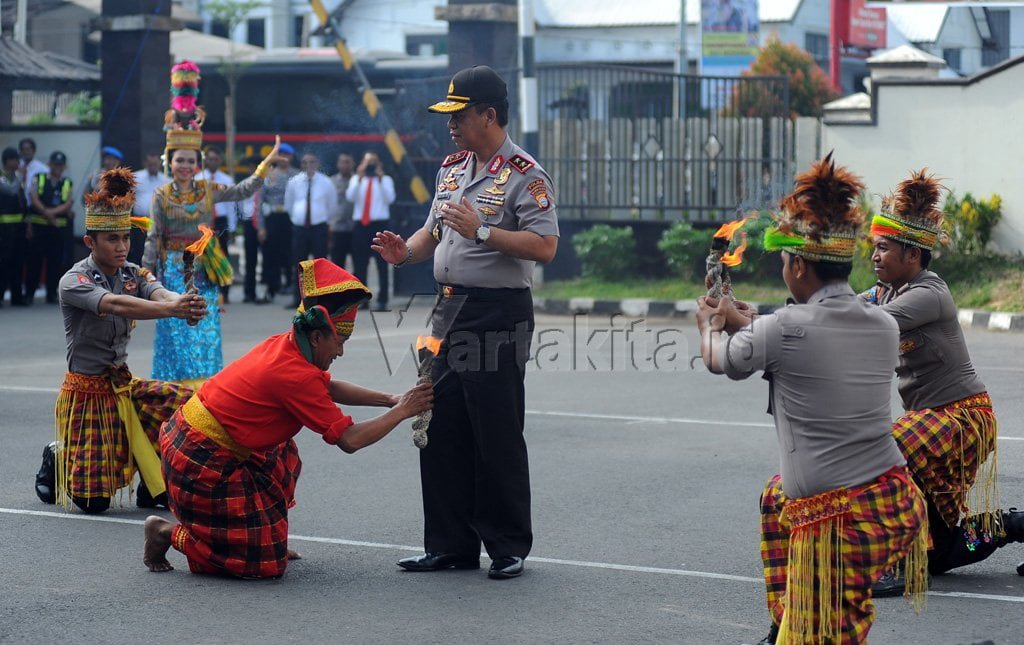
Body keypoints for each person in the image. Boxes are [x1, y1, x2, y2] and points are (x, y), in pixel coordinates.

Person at [698, 155, 929, 645]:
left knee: (829, 636)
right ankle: (785, 622)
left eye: (784, 261)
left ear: (798, 264)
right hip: (891, 500)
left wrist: (709, 326)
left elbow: (723, 360)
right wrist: (749, 323)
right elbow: (811, 338)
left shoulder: (783, 328)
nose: (784, 269)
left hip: (844, 515)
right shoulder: (881, 322)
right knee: (775, 498)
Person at [372, 65, 559, 580]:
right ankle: (450, 544)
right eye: (449, 115)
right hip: (445, 309)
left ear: (489, 115)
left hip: (496, 311)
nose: (450, 125)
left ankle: (506, 545)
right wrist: (404, 253)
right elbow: (432, 232)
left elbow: (545, 246)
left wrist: (485, 233)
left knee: (494, 426)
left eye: (459, 114)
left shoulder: (526, 174)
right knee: (436, 420)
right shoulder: (452, 169)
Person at [142, 258, 433, 577]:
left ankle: (261, 537)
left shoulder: (290, 345)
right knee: (260, 565)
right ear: (319, 336)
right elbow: (349, 440)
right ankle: (166, 532)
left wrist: (390, 399)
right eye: (340, 341)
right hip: (197, 459)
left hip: (199, 442)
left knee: (283, 453)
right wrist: (402, 411)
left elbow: (328, 388)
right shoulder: (295, 374)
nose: (341, 352)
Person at [864, 170, 1024, 594]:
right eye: (873, 249)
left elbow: (855, 322)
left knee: (883, 446)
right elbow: (831, 310)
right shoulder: (882, 292)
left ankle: (897, 563)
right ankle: (1017, 526)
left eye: (883, 248)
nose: (874, 257)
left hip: (961, 418)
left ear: (913, 255)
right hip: (930, 422)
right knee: (944, 549)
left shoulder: (928, 293)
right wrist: (752, 320)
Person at [33, 167, 205, 513]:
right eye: (112, 239)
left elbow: (159, 293)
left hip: (122, 383)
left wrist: (182, 303)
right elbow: (114, 303)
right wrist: (172, 311)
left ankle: (151, 485)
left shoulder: (134, 273)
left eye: (126, 238)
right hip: (86, 393)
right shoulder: (74, 280)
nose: (122, 246)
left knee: (187, 408)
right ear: (90, 242)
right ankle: (59, 455)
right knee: (92, 501)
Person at [141, 60, 279, 388]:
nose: (185, 166)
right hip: (173, 269)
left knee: (205, 329)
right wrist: (145, 278)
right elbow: (152, 237)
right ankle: (173, 388)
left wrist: (265, 166)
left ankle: (206, 389)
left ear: (198, 164)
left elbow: (243, 190)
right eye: (180, 161)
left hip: (204, 268)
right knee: (174, 328)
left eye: (191, 161)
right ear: (169, 162)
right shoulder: (160, 195)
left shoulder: (209, 190)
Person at [284, 151, 336, 309]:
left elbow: (332, 206)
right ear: (301, 164)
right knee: (299, 264)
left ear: (317, 164)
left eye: (312, 162)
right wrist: (297, 218)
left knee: (320, 265)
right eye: (305, 162)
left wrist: (325, 220)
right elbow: (289, 204)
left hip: (318, 227)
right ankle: (298, 299)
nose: (309, 166)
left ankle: (320, 300)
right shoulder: (294, 182)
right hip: (300, 228)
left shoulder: (326, 182)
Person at [347, 151, 395, 310]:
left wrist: (380, 178)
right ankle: (362, 299)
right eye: (368, 162)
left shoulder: (386, 179)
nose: (371, 166)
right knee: (360, 263)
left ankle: (382, 300)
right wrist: (359, 178)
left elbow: (390, 198)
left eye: (373, 162)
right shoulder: (356, 179)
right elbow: (350, 197)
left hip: (379, 224)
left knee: (382, 263)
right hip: (361, 224)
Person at [25, 151, 73, 305]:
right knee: (34, 262)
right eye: (55, 164)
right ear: (49, 164)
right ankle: (29, 293)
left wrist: (51, 213)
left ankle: (51, 294)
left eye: (60, 165)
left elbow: (68, 204)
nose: (57, 167)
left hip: (57, 229)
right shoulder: (39, 178)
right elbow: (33, 197)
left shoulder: (67, 182)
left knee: (55, 262)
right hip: (39, 228)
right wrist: (46, 213)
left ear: (64, 166)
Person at [259, 142, 298, 301]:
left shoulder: (298, 175)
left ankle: (290, 283)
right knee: (271, 253)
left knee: (290, 252)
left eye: (287, 155)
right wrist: (261, 226)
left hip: (291, 218)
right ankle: (271, 287)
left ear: (291, 157)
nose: (283, 158)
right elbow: (260, 202)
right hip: (273, 217)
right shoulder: (268, 175)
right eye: (280, 155)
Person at [199, 146, 237, 305]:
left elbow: (232, 206)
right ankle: (207, 290)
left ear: (219, 161)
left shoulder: (226, 180)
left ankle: (225, 292)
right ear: (205, 160)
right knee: (204, 256)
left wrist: (233, 227)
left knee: (223, 256)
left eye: (215, 159)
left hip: (221, 221)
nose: (212, 162)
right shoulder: (197, 178)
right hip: (204, 222)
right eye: (210, 159)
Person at [131, 151, 170, 265]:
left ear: (160, 163)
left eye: (155, 163)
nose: (153, 166)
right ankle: (138, 275)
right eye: (150, 163)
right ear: (145, 163)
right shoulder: (136, 177)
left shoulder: (166, 180)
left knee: (157, 250)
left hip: (158, 221)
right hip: (140, 221)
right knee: (139, 249)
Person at [0, 146, 27, 307]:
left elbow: (22, 202)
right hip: (4, 229)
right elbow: (10, 191)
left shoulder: (17, 178)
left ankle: (17, 297)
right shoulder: (3, 179)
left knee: (18, 262)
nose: (18, 163)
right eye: (16, 159)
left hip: (19, 228)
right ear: (8, 161)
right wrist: (20, 177)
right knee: (4, 263)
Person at [329, 153, 355, 271]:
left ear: (353, 164)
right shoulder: (331, 182)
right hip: (337, 227)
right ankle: (339, 289)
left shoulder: (359, 180)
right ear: (338, 164)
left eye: (348, 162)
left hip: (356, 227)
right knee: (337, 263)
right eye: (342, 162)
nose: (345, 165)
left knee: (359, 262)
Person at [18, 137, 48, 203]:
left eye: (28, 149)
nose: (25, 152)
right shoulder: (16, 166)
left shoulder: (42, 169)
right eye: (23, 149)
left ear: (34, 151)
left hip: (35, 204)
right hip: (18, 205)